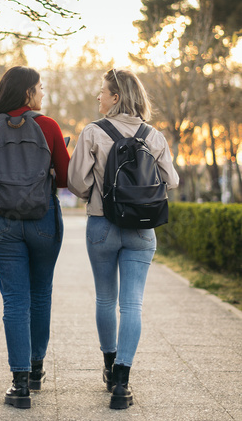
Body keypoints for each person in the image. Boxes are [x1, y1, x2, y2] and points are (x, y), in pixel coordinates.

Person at [67, 68, 179, 410]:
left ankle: (108, 365)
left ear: (116, 97)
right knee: (132, 304)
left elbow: (75, 182)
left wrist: (96, 192)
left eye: (102, 92)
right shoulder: (154, 136)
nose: (98, 97)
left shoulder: (92, 132)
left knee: (105, 299)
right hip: (142, 230)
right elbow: (171, 181)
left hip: (102, 225)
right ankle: (123, 383)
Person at [0, 66, 70, 409]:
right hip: (43, 221)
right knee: (41, 294)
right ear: (27, 93)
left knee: (15, 300)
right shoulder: (49, 126)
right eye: (40, 89)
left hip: (5, 224)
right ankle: (36, 369)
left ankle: (19, 384)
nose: (43, 95)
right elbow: (65, 180)